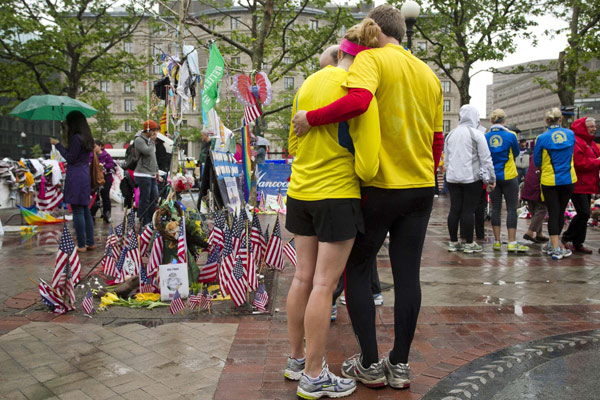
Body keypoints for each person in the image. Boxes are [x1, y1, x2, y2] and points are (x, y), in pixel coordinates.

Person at [292, 4, 444, 390]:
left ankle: (371, 364)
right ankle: (402, 364)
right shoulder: (429, 74)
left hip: (378, 185)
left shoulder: (371, 60)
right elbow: (436, 139)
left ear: (373, 32)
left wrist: (311, 118)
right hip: (420, 186)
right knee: (408, 275)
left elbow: (358, 103)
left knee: (358, 269)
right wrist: (426, 173)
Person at [284, 19, 381, 399]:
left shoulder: (310, 82)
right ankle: (313, 376)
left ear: (340, 51)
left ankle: (296, 361)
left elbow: (292, 139)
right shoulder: (357, 89)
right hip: (337, 193)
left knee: (302, 279)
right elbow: (369, 164)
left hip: (300, 190)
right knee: (324, 285)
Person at [444, 105, 496, 253]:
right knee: (468, 210)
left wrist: (449, 173)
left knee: (454, 210)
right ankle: (469, 243)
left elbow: (447, 159)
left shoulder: (451, 134)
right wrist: (491, 178)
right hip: (471, 178)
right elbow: (486, 159)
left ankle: (453, 242)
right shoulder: (477, 134)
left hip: (453, 178)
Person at [533, 108, 576, 260]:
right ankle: (555, 244)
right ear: (560, 119)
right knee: (561, 211)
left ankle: (555, 246)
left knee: (553, 212)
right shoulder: (570, 134)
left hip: (550, 180)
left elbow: (537, 161)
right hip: (568, 179)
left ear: (546, 121)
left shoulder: (542, 138)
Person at [50, 111, 95, 252]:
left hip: (75, 175)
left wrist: (58, 145)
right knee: (85, 210)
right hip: (84, 174)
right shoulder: (87, 137)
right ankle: (90, 242)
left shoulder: (76, 138)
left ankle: (81, 244)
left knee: (77, 211)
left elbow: (70, 157)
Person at [485, 109, 529, 252]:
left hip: (493, 177)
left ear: (492, 121)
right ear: (504, 120)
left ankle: (497, 241)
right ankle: (511, 242)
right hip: (509, 175)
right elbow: (516, 153)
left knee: (495, 209)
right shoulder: (511, 135)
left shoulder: (486, 136)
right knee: (511, 209)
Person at [561, 117, 599, 253]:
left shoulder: (591, 143)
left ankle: (578, 242)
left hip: (588, 183)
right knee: (583, 213)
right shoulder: (577, 142)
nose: (594, 128)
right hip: (579, 183)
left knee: (585, 214)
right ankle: (566, 237)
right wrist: (597, 162)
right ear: (583, 128)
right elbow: (579, 163)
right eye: (591, 127)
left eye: (594, 126)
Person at [521, 146, 549, 244]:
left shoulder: (533, 156)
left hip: (529, 185)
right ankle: (530, 232)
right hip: (538, 185)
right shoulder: (545, 156)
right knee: (541, 209)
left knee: (535, 211)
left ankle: (539, 233)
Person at [134, 120, 159, 226]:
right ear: (148, 130)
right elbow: (147, 152)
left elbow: (153, 157)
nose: (155, 133)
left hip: (151, 173)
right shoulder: (139, 140)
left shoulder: (149, 140)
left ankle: (151, 220)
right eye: (154, 131)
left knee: (154, 197)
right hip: (142, 173)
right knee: (145, 198)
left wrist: (156, 170)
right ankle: (143, 220)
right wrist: (152, 141)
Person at [90, 140, 115, 223]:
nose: (94, 148)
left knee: (105, 195)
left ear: (100, 146)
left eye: (95, 146)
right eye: (93, 146)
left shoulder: (106, 156)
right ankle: (92, 214)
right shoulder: (91, 156)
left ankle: (107, 214)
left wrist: (104, 165)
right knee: (95, 196)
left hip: (106, 178)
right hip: (94, 179)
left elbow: (111, 164)